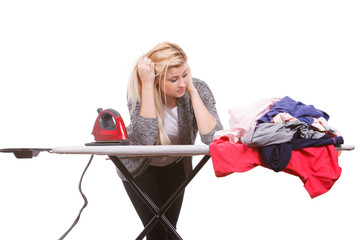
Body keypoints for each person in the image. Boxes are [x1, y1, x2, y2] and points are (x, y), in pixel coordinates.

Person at [118, 42, 223, 239]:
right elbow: (145, 142)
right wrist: (148, 85)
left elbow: (213, 138)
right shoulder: (141, 91)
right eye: (174, 79)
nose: (182, 83)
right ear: (157, 80)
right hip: (139, 168)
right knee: (157, 231)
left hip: (175, 166)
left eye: (185, 75)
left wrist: (193, 91)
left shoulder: (196, 88)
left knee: (170, 229)